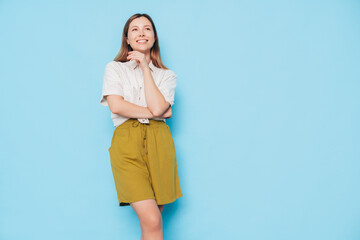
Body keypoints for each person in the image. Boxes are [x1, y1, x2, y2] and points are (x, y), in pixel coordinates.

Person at [100, 13, 183, 240]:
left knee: (154, 223)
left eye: (147, 29)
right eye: (134, 29)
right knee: (151, 219)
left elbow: (158, 108)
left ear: (154, 38)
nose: (141, 33)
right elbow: (116, 106)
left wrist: (146, 68)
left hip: (160, 142)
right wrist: (158, 112)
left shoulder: (167, 75)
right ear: (127, 39)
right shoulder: (115, 68)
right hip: (127, 143)